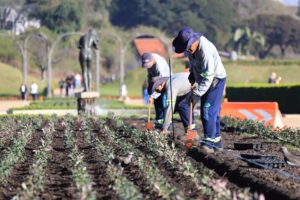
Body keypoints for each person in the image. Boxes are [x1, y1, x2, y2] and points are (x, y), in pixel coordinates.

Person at [172, 27, 227, 153]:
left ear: (195, 40)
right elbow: (194, 64)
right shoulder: (192, 49)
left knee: (207, 110)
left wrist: (196, 93)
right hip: (204, 79)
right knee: (210, 111)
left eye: (188, 46)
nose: (187, 49)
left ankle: (209, 141)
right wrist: (192, 75)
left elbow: (209, 76)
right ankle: (217, 142)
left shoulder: (205, 50)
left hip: (215, 80)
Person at [141, 52, 171, 130]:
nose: (148, 67)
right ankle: (159, 122)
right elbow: (150, 77)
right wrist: (151, 94)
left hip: (165, 82)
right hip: (156, 82)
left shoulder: (159, 64)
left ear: (152, 60)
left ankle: (167, 123)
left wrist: (160, 87)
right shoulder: (149, 61)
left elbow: (165, 77)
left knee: (164, 103)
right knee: (157, 102)